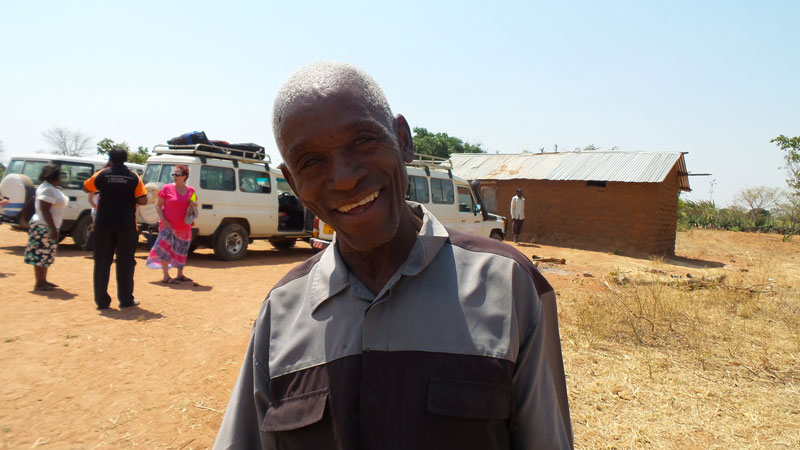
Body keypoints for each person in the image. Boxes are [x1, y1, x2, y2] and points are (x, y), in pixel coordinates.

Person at [214, 62, 573, 450]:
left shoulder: (510, 286)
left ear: (402, 139)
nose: (345, 178)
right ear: (294, 183)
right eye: (311, 162)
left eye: (362, 141)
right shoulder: (281, 311)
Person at [83, 148, 147, 309]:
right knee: (125, 262)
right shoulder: (134, 176)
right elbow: (143, 200)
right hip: (126, 225)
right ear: (125, 159)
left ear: (110, 158)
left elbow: (86, 188)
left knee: (102, 263)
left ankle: (102, 301)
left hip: (103, 224)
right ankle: (126, 300)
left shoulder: (102, 174)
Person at [146, 164, 197, 284]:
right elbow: (158, 205)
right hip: (168, 226)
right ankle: (166, 276)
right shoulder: (166, 188)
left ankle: (180, 274)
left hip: (184, 226)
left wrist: (192, 210)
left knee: (182, 250)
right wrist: (163, 219)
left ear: (184, 176)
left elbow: (194, 204)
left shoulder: (192, 190)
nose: (174, 176)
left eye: (177, 174)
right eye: (173, 174)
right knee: (165, 250)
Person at [24, 164, 69, 291]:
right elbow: (45, 210)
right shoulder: (47, 189)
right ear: (55, 176)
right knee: (41, 253)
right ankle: (39, 283)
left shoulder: (50, 188)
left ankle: (43, 281)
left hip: (46, 225)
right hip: (44, 226)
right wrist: (52, 228)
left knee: (45, 254)